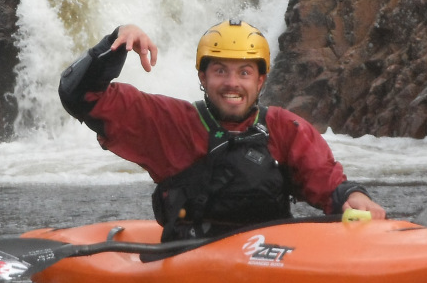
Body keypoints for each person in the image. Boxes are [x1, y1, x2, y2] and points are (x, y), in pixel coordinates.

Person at [59, 19, 387, 240]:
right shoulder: (169, 122)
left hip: (271, 262)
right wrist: (115, 42)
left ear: (260, 80)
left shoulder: (286, 129)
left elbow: (327, 183)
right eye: (220, 71)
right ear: (203, 78)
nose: (232, 83)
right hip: (188, 269)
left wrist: (353, 196)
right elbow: (80, 95)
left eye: (244, 73)